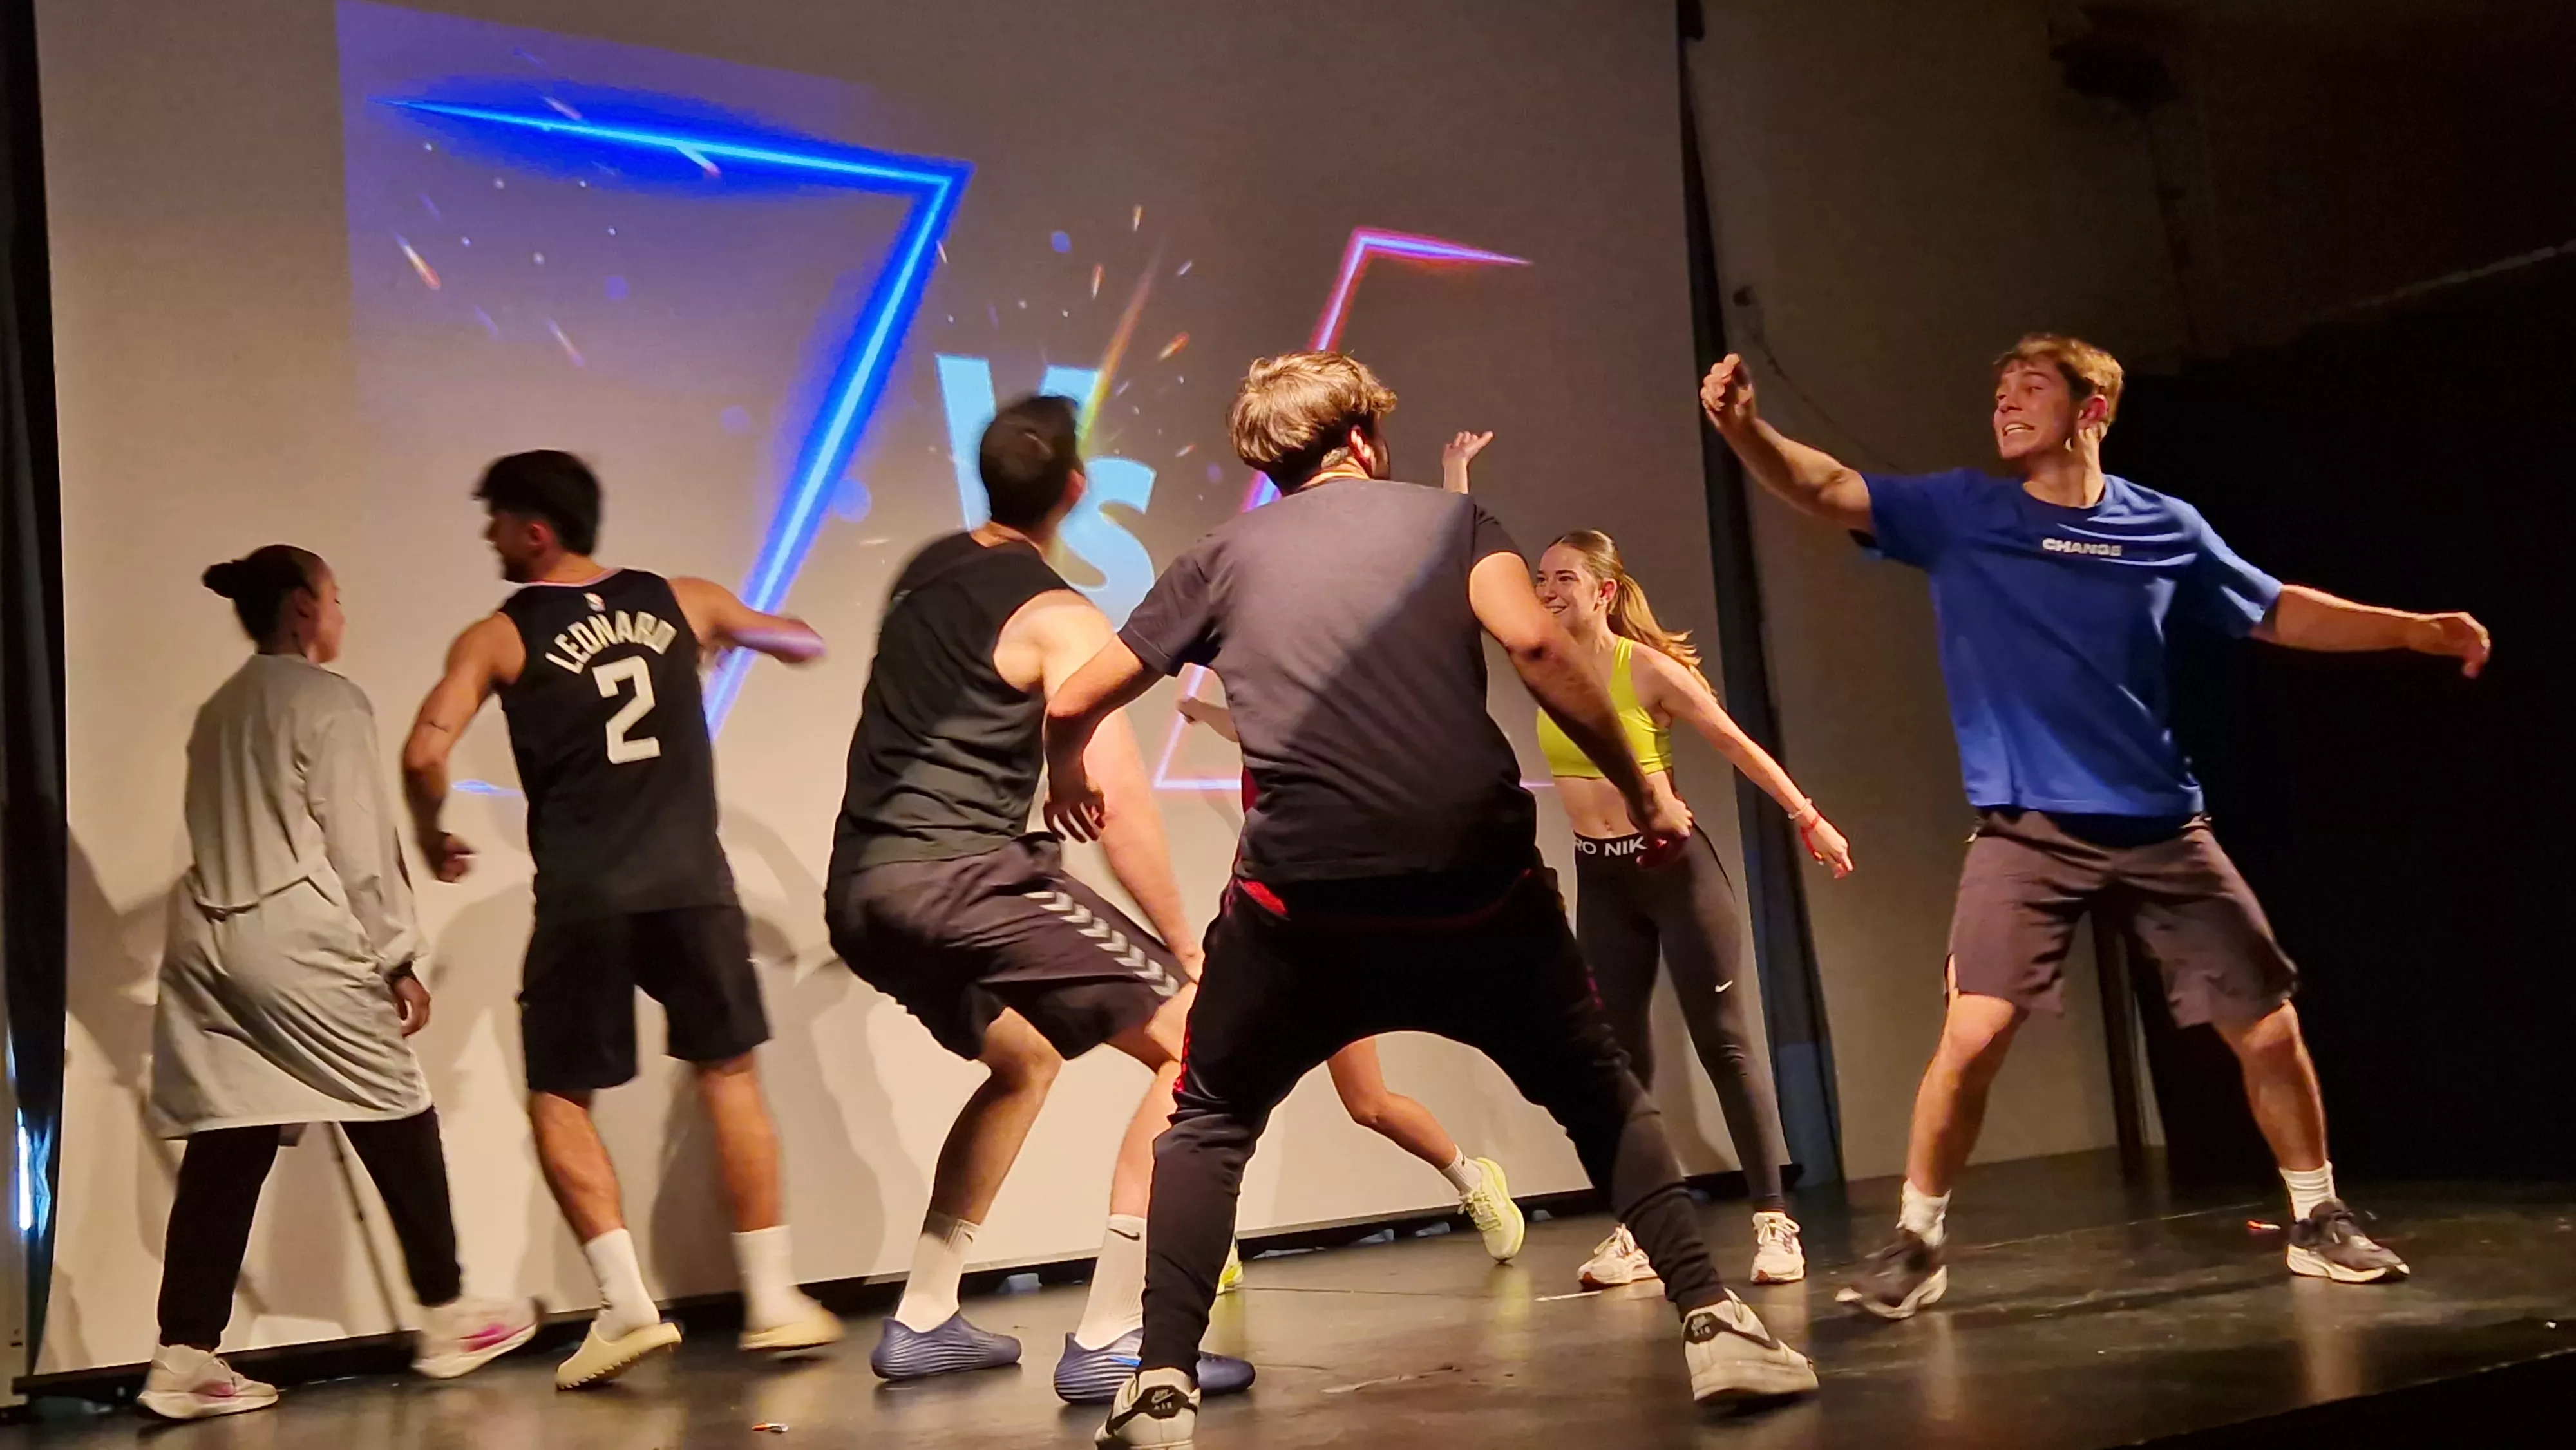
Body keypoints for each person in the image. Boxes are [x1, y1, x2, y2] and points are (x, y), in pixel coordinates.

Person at [1048, 352, 1817, 1448]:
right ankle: (1714, 1319)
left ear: (1273, 461)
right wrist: (1648, 786)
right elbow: (1543, 645)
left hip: (1302, 908)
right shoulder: (1452, 528)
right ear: (1362, 439)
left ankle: (1163, 1380)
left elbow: (1078, 695)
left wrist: (1065, 761)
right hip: (1474, 894)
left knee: (1208, 1121)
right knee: (1600, 1089)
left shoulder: (1219, 558)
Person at [1700, 335, 2492, 1318]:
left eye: (2030, 387)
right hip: (2027, 830)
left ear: (2092, 410)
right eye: (1998, 391)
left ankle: (2318, 1219)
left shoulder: (2163, 525)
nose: (2006, 403)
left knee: (2269, 1026)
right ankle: (1916, 1241)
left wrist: (2413, 629)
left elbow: (2277, 611)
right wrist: (1746, 431)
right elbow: (1827, 489)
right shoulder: (1964, 512)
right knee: (1975, 1033)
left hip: (2164, 823)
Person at [822, 395, 1248, 1406]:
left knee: (1021, 1059)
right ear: (1074, 490)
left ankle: (924, 1315)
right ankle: (1114, 1334)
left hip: (863, 889)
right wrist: (1186, 947)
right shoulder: (1062, 618)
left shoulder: (922, 568)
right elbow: (1122, 799)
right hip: (962, 877)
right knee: (1196, 1043)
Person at [402, 452, 844, 1388]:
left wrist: (431, 832)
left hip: (586, 896)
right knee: (729, 1073)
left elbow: (422, 749)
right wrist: (730, 639)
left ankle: (629, 1307)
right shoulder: (682, 597)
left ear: (537, 530)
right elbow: (805, 642)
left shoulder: (497, 637)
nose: (487, 538)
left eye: (497, 521)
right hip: (694, 884)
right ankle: (770, 1301)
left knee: (560, 1097)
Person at [1442, 437, 1850, 1287]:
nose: (1546, 591)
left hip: (1675, 874)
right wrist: (1457, 486)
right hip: (1604, 879)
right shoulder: (1541, 666)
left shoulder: (1646, 669)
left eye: (1562, 579)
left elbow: (1735, 744)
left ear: (1605, 591)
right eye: (1540, 578)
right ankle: (1642, 1231)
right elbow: (1467, 583)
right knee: (1619, 1059)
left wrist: (1808, 817)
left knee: (1726, 1046)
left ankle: (1777, 1224)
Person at [142, 547, 538, 1420]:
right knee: (395, 1100)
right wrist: (397, 953)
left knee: (231, 1134)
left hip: (209, 939)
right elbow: (358, 839)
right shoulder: (328, 700)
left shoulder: (220, 709)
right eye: (334, 596)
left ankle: (184, 1355)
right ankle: (446, 1314)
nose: (341, 612)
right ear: (300, 609)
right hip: (290, 932)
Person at [1173, 692, 1526, 1265]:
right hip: (1259, 938)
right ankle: (1211, 1247)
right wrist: (1198, 710)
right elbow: (1243, 723)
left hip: (1332, 940)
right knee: (1221, 1100)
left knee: (1367, 1102)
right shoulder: (1270, 720)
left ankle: (1474, 1182)